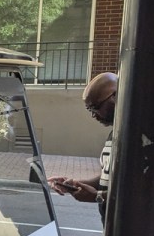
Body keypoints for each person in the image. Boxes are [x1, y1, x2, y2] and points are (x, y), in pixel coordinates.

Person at [47, 72, 117, 226]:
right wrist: (76, 185)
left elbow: (142, 196)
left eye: (95, 107)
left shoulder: (138, 139)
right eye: (89, 110)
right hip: (110, 230)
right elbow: (107, 179)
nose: (93, 115)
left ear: (116, 96)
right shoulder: (115, 134)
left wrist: (96, 197)